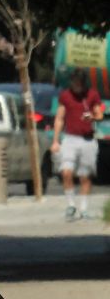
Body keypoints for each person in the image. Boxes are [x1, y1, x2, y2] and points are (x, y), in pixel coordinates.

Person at [51, 68, 103, 220]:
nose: (77, 85)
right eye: (74, 82)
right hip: (70, 139)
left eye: (79, 83)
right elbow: (59, 118)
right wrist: (55, 140)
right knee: (66, 172)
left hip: (87, 140)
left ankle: (84, 209)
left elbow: (99, 114)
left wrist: (92, 117)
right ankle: (71, 205)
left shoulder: (92, 95)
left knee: (84, 176)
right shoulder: (65, 96)